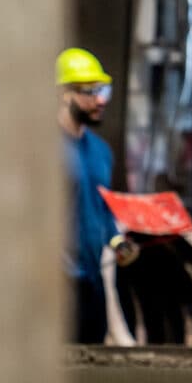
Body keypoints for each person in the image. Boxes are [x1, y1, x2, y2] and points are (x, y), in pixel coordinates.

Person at [56, 47, 138, 343]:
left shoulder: (101, 152)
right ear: (65, 94)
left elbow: (100, 210)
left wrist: (116, 241)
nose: (101, 100)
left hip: (92, 282)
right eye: (91, 91)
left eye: (105, 90)